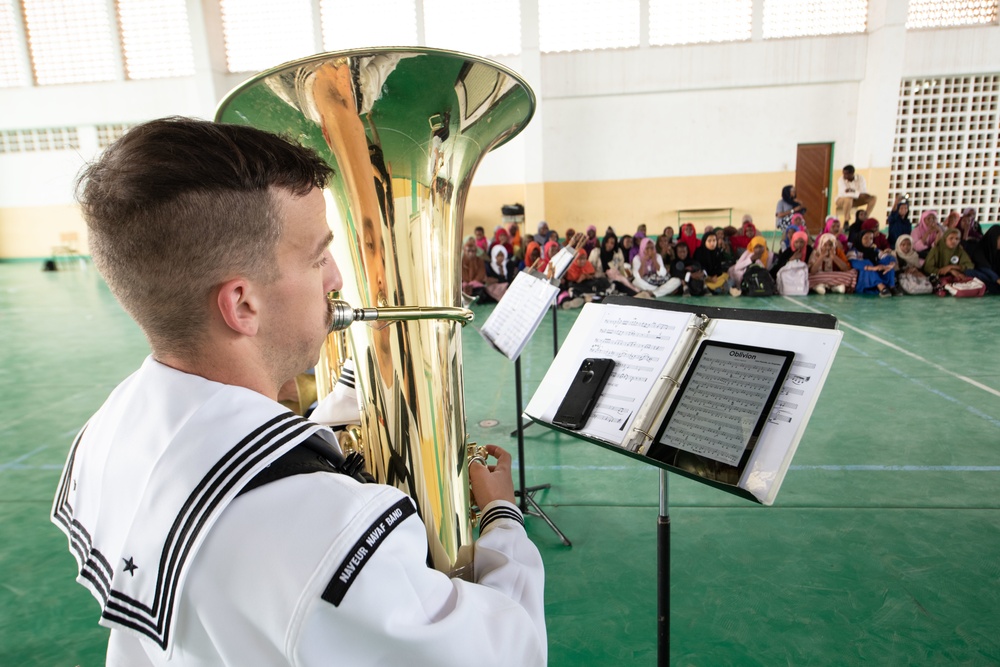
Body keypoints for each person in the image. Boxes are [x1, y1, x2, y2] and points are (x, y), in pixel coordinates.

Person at [51, 118, 546, 666]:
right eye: (317, 257)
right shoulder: (323, 528)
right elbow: (502, 651)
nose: (336, 278)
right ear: (242, 305)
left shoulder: (107, 430)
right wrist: (502, 516)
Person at [849, 228, 897, 297]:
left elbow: (887, 257)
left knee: (887, 263)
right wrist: (873, 268)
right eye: (865, 238)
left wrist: (891, 265)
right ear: (860, 238)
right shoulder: (854, 251)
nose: (868, 241)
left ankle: (892, 287)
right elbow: (853, 262)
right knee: (866, 264)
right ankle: (882, 288)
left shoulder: (874, 250)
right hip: (862, 278)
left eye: (871, 238)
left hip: (875, 273)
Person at [692, 230, 731, 295]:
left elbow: (719, 267)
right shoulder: (699, 252)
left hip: (715, 278)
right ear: (704, 241)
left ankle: (716, 288)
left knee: (726, 276)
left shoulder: (717, 251)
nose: (712, 243)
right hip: (705, 279)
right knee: (700, 281)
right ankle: (715, 288)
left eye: (714, 240)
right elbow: (699, 268)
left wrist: (716, 275)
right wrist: (709, 278)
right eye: (709, 241)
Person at [461, 236, 487, 301]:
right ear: (464, 251)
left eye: (473, 251)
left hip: (475, 284)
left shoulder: (479, 260)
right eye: (469, 251)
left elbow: (481, 273)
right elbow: (459, 275)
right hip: (463, 284)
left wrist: (473, 282)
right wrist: (465, 282)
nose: (471, 253)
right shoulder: (460, 261)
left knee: (482, 292)